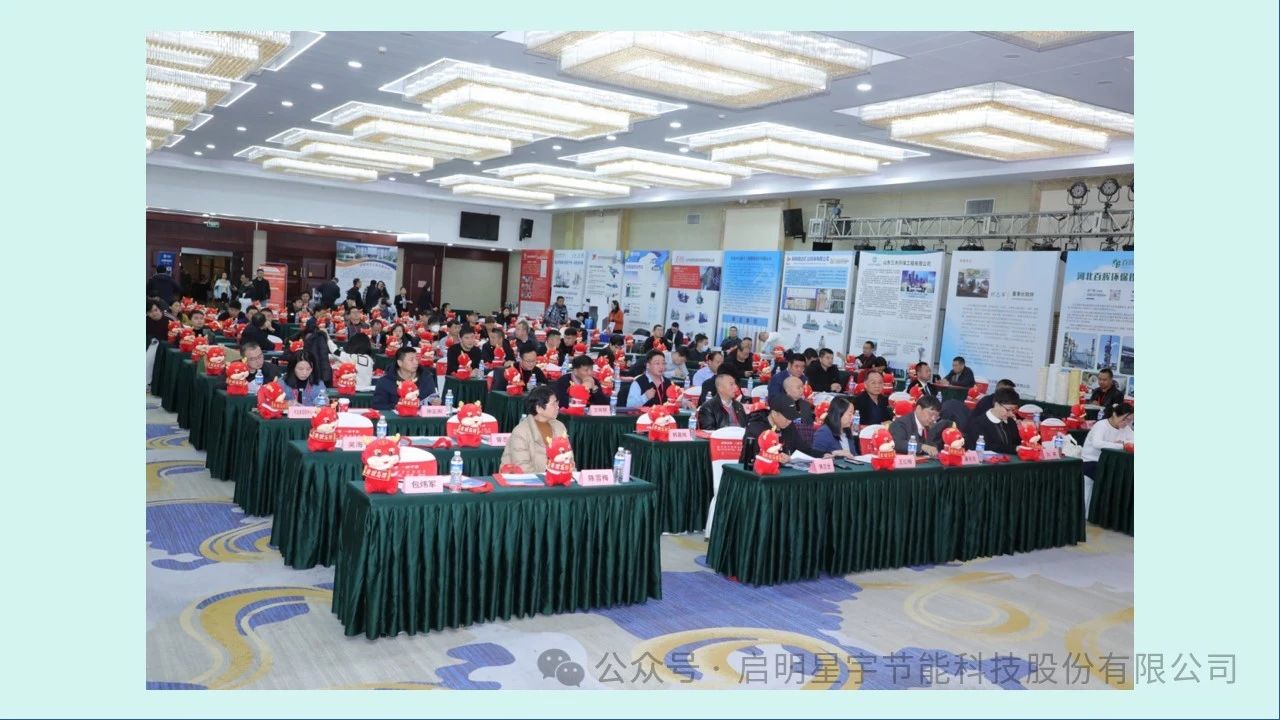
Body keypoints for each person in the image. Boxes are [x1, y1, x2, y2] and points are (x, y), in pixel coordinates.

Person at [501, 386, 568, 473]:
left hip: (556, 478)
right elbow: (522, 467)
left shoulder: (559, 427)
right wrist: (547, 478)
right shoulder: (521, 431)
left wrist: (570, 475)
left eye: (557, 403)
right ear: (539, 408)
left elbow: (568, 459)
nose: (557, 407)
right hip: (528, 479)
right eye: (553, 404)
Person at [743, 393, 821, 460]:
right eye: (787, 417)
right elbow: (750, 457)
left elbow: (804, 449)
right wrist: (776, 458)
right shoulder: (756, 427)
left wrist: (823, 455)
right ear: (774, 413)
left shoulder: (789, 426)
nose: (790, 421)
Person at [372, 346, 441, 411]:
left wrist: (435, 401)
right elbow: (378, 406)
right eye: (411, 360)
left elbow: (432, 397)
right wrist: (398, 406)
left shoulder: (426, 377)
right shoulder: (385, 381)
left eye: (416, 359)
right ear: (400, 363)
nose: (416, 362)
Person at [1082, 401, 1134, 478]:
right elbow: (1097, 443)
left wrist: (1124, 442)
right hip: (1092, 460)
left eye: (1130, 420)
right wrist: (1122, 445)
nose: (1126, 423)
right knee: (1114, 475)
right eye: (1125, 419)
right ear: (1114, 414)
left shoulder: (1126, 428)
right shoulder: (1101, 425)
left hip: (1110, 462)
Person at [964, 387, 1021, 454]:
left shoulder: (1011, 422)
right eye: (1008, 410)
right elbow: (986, 447)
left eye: (1013, 410)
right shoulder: (978, 423)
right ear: (996, 404)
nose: (1011, 413)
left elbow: (1017, 443)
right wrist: (1014, 448)